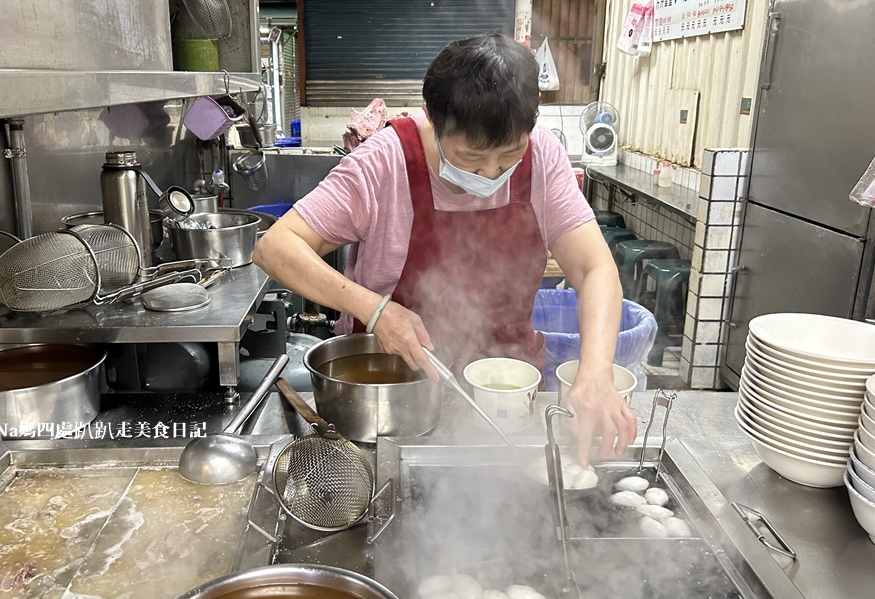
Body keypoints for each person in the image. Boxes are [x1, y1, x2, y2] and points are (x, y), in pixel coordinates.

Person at [254, 33, 635, 463]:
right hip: (392, 401)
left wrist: (597, 372)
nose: (491, 173)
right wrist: (375, 310)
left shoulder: (544, 155)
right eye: (472, 159)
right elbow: (275, 247)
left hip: (506, 393)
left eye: (508, 157)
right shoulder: (384, 163)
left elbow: (593, 270)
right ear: (432, 120)